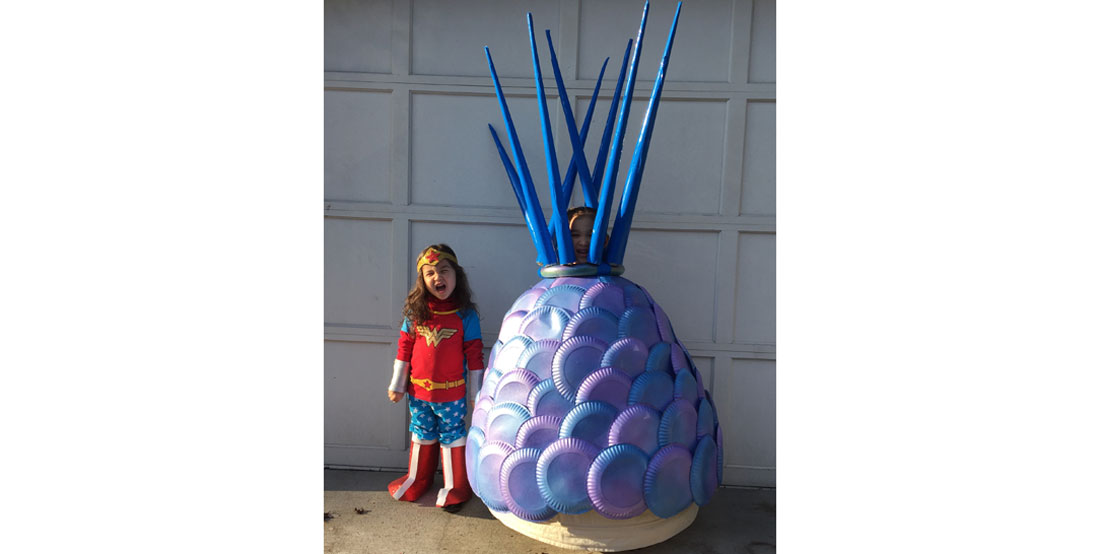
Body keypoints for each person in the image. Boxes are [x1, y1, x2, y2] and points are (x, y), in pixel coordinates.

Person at [386, 243, 484, 512]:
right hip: (418, 393)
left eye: (443, 270)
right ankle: (418, 479)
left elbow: (475, 355)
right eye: (429, 273)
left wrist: (477, 394)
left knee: (452, 436)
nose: (437, 277)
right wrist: (397, 383)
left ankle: (456, 486)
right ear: (422, 280)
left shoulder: (466, 315)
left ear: (456, 275)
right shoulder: (415, 314)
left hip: (451, 395)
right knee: (421, 434)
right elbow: (404, 348)